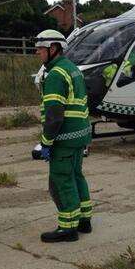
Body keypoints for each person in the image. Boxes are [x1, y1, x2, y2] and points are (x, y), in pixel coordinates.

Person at [36, 29, 93, 243]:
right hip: (79, 135)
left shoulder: (56, 75)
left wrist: (46, 142)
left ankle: (67, 228)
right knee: (77, 176)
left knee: (61, 180)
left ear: (53, 48)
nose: (38, 53)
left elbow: (54, 116)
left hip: (64, 138)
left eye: (40, 49)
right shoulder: (73, 69)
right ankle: (84, 220)